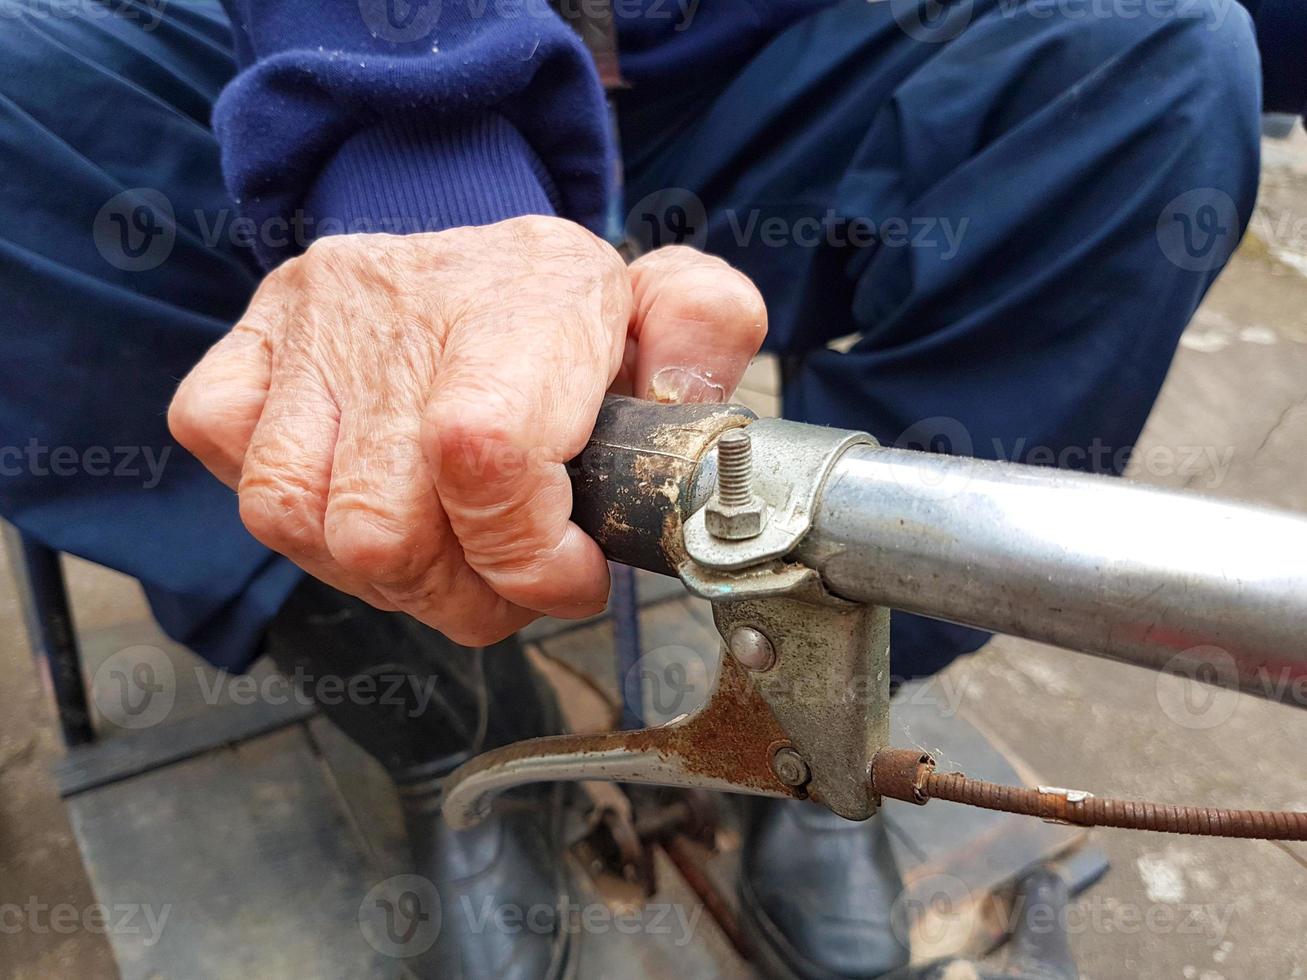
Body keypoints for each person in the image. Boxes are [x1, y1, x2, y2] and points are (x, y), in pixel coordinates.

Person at [0, 0, 1299, 975]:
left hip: (764, 70)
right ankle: (456, 729)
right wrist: (421, 154)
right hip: (358, 47)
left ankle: (816, 727)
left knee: (1170, 53)